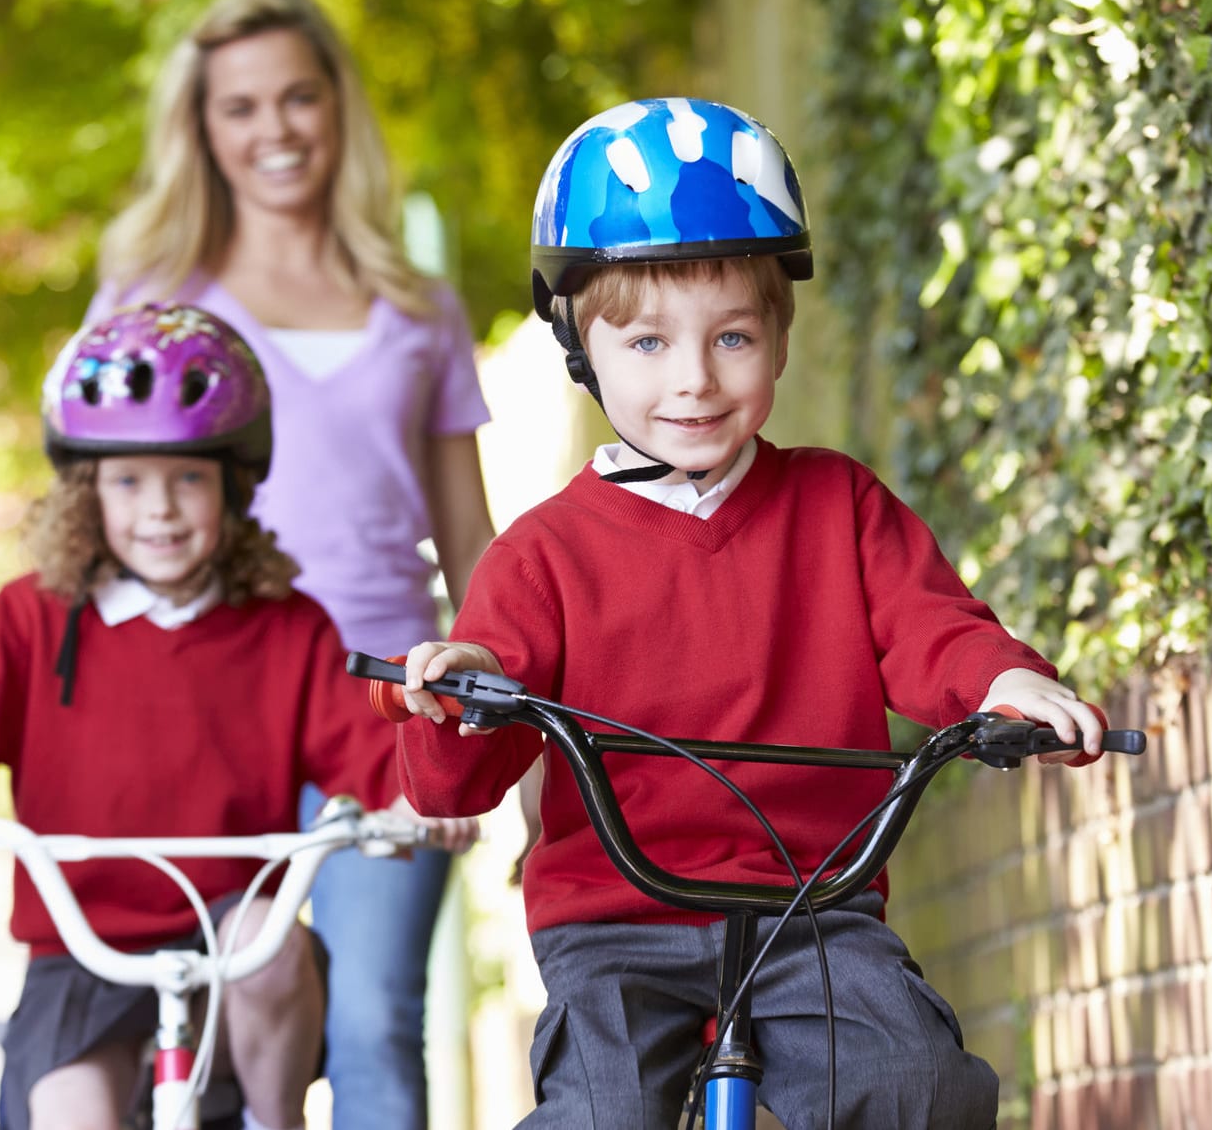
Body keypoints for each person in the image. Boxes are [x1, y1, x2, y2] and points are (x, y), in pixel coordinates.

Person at [395, 98, 1108, 1129]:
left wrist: (1003, 683)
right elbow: (460, 766)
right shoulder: (540, 555)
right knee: (597, 1116)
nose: (692, 380)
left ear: (778, 338)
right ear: (579, 347)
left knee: (919, 1085)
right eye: (645, 342)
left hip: (811, 908)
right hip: (615, 925)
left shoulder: (837, 504)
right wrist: (463, 692)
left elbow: (931, 628)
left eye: (730, 335)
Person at [0, 303, 476, 1130]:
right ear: (87, 491)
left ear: (231, 484)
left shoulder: (284, 626)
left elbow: (363, 743)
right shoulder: (35, 619)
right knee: (72, 1115)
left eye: (188, 478)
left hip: (228, 943)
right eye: (128, 481)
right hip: (79, 951)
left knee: (272, 935)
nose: (160, 509)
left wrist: (412, 797)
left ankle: (275, 1119)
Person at [89, 0, 497, 1123]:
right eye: (240, 106)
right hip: (206, 703)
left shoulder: (417, 307)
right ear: (203, 130)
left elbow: (473, 543)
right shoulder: (149, 299)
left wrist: (519, 718)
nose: (275, 128)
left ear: (338, 109)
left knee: (373, 1019)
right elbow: (94, 522)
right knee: (214, 1010)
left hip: (384, 705)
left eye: (298, 96)